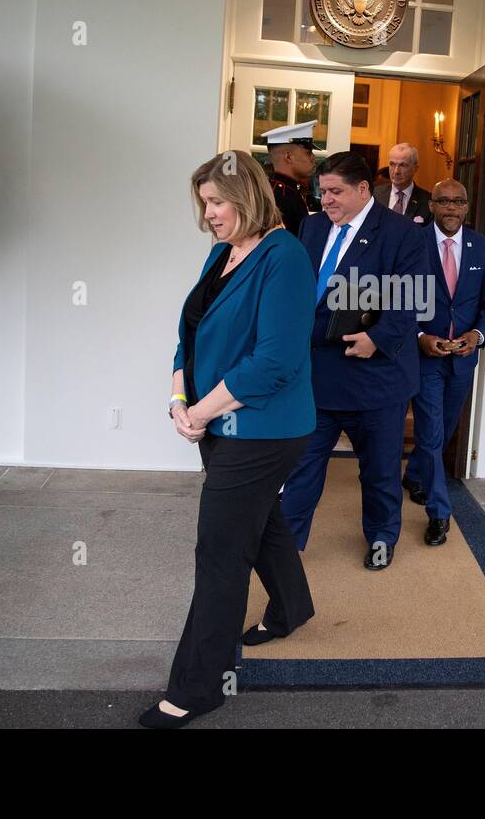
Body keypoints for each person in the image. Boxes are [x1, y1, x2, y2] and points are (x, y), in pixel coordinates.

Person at [141, 150, 317, 729]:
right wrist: (177, 399)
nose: (209, 213)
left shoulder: (285, 256)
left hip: (263, 430)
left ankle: (198, 686)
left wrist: (201, 411)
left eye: (217, 202)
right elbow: (187, 334)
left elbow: (276, 361)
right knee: (260, 521)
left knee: (220, 553)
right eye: (205, 203)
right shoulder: (221, 253)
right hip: (216, 421)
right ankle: (293, 607)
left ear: (246, 198)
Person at [279, 150, 430, 569]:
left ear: (363, 189)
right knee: (303, 467)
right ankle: (286, 546)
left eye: (335, 192)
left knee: (379, 472)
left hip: (374, 379)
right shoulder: (311, 226)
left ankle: (381, 539)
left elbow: (412, 298)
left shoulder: (402, 233)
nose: (325, 200)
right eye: (321, 191)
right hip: (316, 377)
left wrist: (377, 338)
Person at [402, 179, 485, 544]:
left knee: (442, 430)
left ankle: (414, 475)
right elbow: (399, 297)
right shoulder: (413, 243)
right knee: (430, 431)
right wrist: (419, 336)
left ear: (466, 206)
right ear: (432, 206)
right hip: (426, 357)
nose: (450, 208)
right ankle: (439, 513)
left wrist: (477, 337)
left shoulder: (483, 248)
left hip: (463, 358)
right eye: (442, 201)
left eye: (457, 201)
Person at [261, 120, 318, 236]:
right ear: (288, 157)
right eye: (308, 153)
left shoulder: (288, 190)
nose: (313, 157)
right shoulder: (278, 196)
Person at [373, 142, 432, 226]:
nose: (396, 171)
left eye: (403, 165)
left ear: (415, 168)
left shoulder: (427, 201)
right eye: (392, 164)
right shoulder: (375, 194)